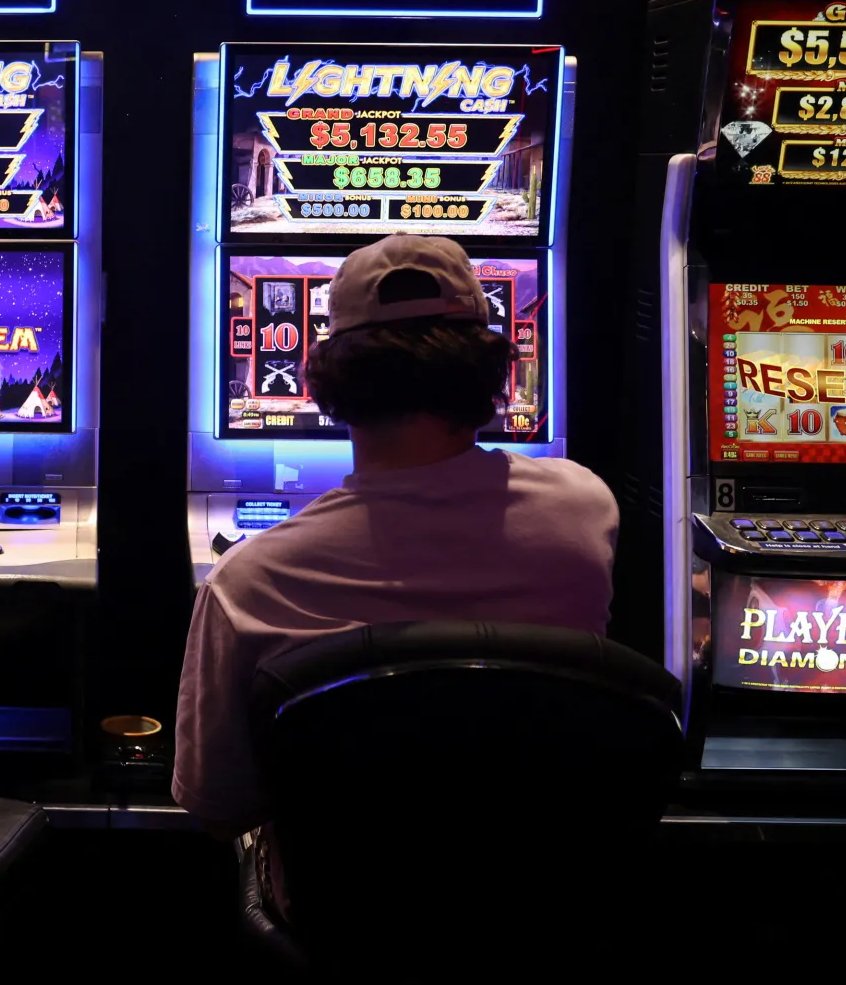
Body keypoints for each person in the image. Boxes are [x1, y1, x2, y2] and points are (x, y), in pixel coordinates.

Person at [172, 235, 619, 916]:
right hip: (541, 909)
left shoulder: (251, 580)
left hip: (345, 920)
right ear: (492, 370)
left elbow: (216, 804)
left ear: (323, 380)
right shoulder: (587, 509)